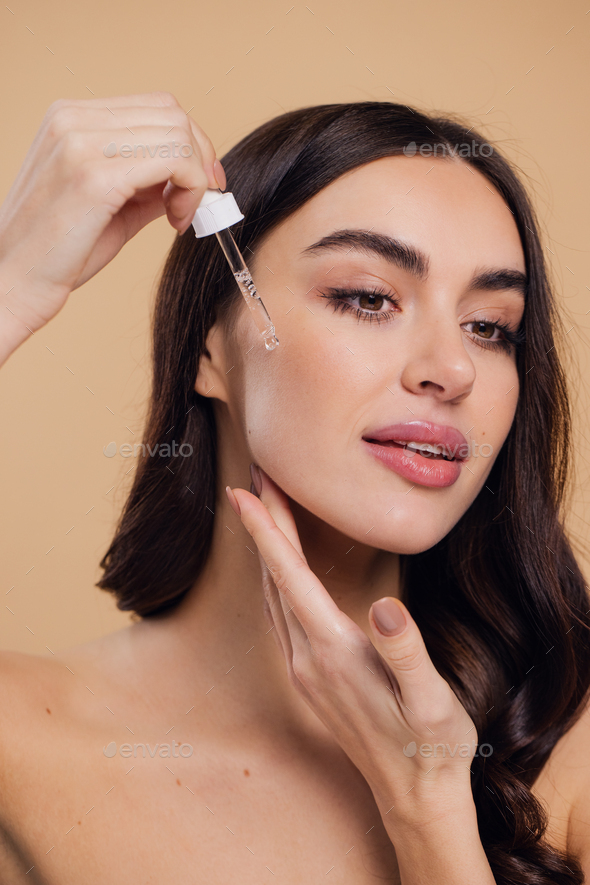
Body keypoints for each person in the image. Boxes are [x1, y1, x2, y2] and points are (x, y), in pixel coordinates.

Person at [0, 92, 589, 885]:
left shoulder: (568, 741)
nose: (453, 370)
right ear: (210, 348)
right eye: (368, 297)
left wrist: (427, 807)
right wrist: (9, 282)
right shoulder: (23, 741)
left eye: (490, 327)